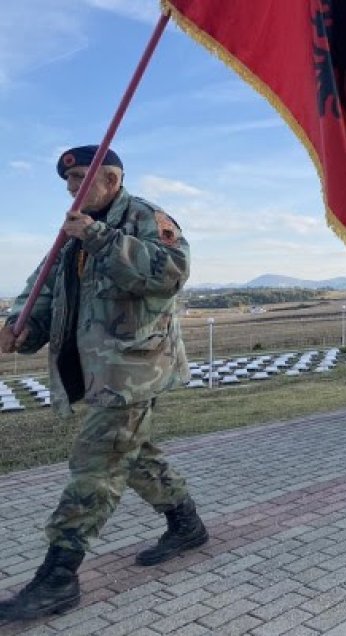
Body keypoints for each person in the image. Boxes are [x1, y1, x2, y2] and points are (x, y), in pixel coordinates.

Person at [0, 145, 208, 621]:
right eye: (68, 182)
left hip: (134, 368)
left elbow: (170, 274)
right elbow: (46, 287)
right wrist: (23, 326)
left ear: (110, 180)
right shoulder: (72, 232)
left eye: (80, 180)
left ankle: (58, 577)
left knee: (95, 465)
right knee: (133, 456)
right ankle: (186, 524)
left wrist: (99, 237)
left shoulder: (144, 219)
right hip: (97, 370)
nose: (71, 190)